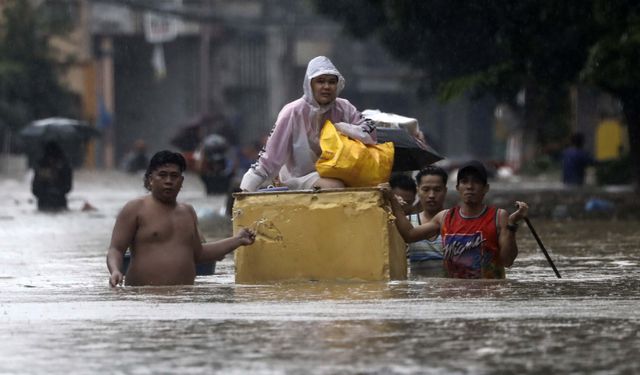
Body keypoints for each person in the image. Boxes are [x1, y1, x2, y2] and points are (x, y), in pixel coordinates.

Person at [106, 150, 256, 287]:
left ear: (181, 181)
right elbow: (116, 249)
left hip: (184, 301)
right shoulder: (135, 208)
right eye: (162, 175)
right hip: (145, 300)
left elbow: (199, 254)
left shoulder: (188, 212)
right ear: (151, 179)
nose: (169, 181)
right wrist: (115, 270)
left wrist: (238, 240)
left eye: (174, 176)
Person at [239, 56, 375, 191]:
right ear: (310, 84)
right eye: (320, 81)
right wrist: (247, 187)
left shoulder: (344, 107)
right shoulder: (292, 112)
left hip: (340, 173)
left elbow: (369, 131)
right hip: (299, 177)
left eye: (331, 82)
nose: (326, 86)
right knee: (334, 187)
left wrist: (343, 128)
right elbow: (270, 156)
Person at [387, 160, 528, 279]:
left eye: (476, 182)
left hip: (488, 298)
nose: (470, 187)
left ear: (486, 188)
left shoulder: (498, 216)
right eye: (464, 181)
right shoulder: (445, 217)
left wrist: (512, 224)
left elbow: (507, 261)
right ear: (458, 187)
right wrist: (393, 200)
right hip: (454, 296)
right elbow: (409, 235)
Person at [405, 166, 449, 277]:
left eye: (437, 190)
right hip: (416, 292)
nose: (431, 195)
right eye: (426, 189)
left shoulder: (455, 222)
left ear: (445, 191)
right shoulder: (407, 223)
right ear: (417, 190)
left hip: (447, 291)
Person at [31, 141, 73, 211]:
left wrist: (56, 191)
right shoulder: (41, 166)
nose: (51, 160)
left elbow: (68, 186)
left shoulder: (64, 167)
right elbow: (35, 188)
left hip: (58, 203)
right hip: (45, 203)